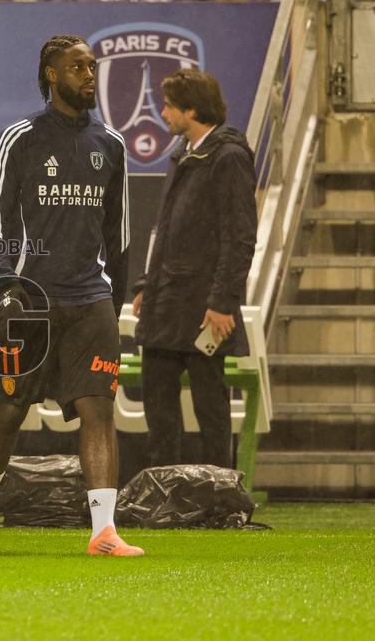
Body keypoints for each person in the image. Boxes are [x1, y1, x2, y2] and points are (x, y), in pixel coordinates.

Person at [0, 35, 142, 557]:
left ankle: (104, 531)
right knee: (7, 409)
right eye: (77, 67)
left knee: (99, 410)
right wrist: (5, 282)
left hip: (92, 300)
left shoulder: (110, 143)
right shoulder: (19, 137)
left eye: (92, 66)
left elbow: (121, 231)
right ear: (50, 74)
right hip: (30, 300)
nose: (89, 75)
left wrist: (120, 297)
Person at [132, 69, 257, 469]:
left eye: (169, 105)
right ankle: (161, 492)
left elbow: (240, 238)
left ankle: (220, 494)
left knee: (211, 409)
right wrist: (147, 284)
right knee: (158, 406)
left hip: (204, 309)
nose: (163, 112)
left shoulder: (229, 157)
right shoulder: (183, 154)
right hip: (166, 305)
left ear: (191, 109)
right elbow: (166, 230)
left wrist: (222, 303)